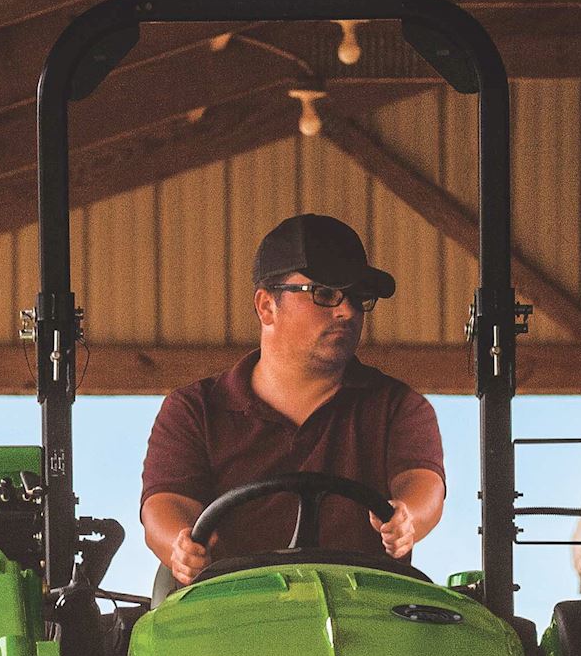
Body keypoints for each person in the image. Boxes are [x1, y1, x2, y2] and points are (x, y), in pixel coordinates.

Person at [140, 214, 447, 589]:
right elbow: (166, 503)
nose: (347, 311)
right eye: (325, 293)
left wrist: (408, 516)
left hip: (361, 614)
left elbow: (421, 482)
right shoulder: (194, 409)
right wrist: (180, 542)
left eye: (357, 297)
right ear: (267, 306)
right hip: (228, 618)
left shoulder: (398, 407)